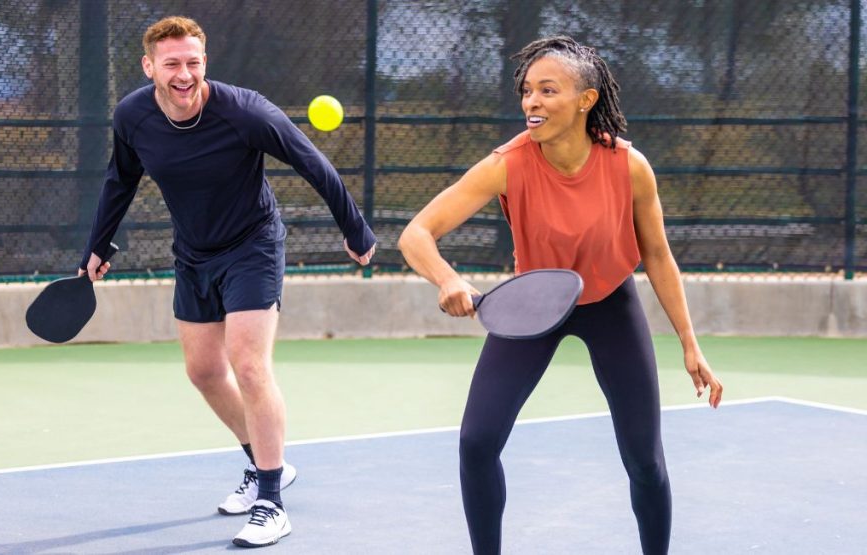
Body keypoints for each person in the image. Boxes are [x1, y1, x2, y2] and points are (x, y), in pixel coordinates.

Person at [398, 36, 722, 554]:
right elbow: (416, 233)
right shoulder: (507, 163)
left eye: (549, 90)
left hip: (610, 304)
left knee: (644, 458)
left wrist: (689, 342)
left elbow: (658, 255)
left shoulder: (629, 166)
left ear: (585, 99)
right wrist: (448, 278)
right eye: (527, 91)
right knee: (476, 444)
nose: (532, 102)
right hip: (535, 306)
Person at [78, 16, 376, 548]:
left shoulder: (245, 112)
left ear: (204, 63)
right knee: (203, 371)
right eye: (172, 64)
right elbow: (120, 177)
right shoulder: (134, 116)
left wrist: (355, 230)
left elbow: (313, 163)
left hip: (253, 246)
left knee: (249, 364)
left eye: (194, 62)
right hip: (193, 252)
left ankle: (271, 503)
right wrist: (98, 245)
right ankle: (268, 466)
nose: (185, 74)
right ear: (149, 68)